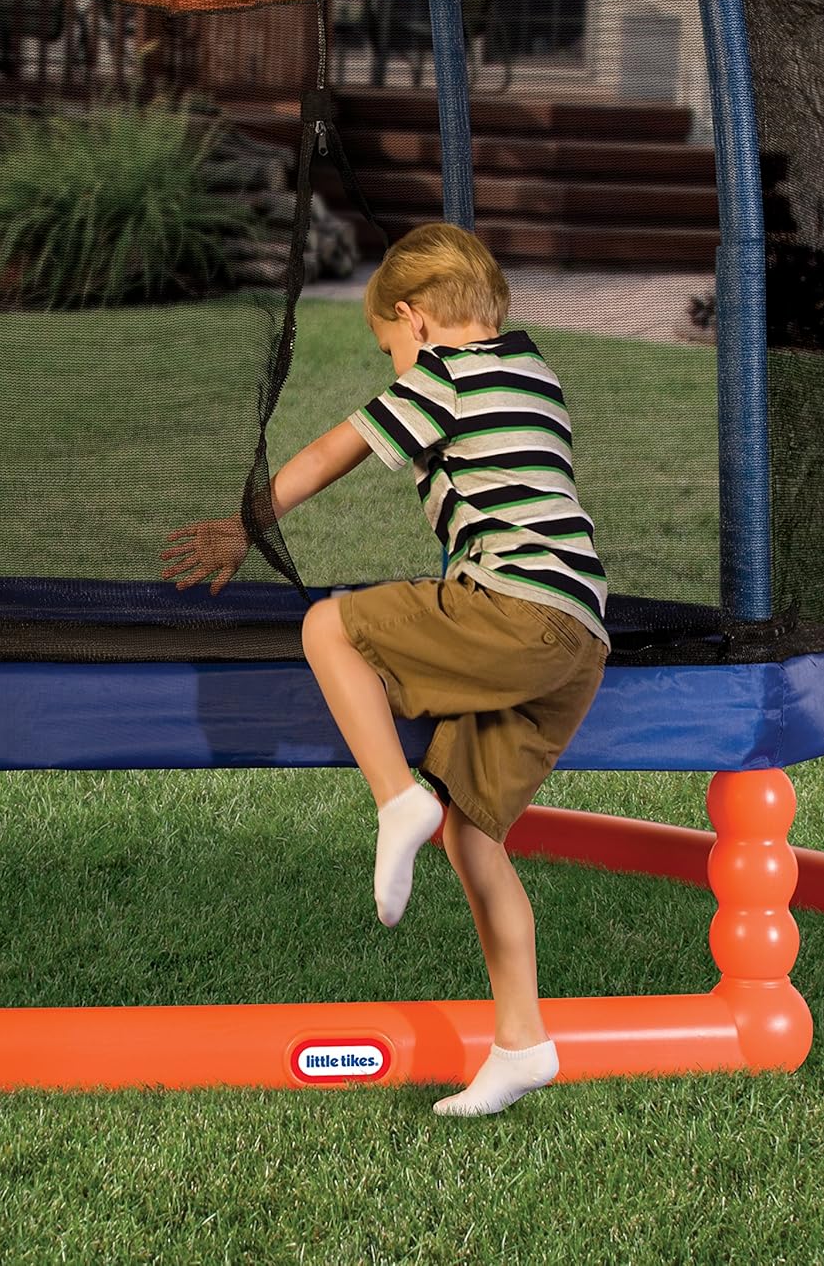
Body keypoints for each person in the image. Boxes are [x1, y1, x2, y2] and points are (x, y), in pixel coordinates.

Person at [160, 221, 609, 1117]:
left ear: (416, 320)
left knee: (331, 627)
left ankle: (396, 796)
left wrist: (246, 523)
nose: (392, 364)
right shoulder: (536, 372)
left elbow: (336, 449)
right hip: (578, 635)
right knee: (476, 837)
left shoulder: (444, 372)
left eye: (386, 347)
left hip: (512, 607)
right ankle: (522, 1043)